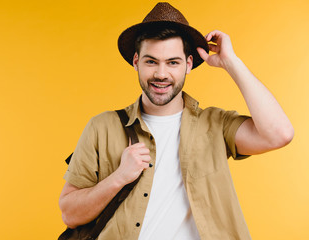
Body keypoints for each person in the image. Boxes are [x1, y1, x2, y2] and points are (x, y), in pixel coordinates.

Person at [59, 2, 294, 240]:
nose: (161, 74)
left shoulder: (215, 125)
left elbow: (279, 134)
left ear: (188, 64)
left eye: (173, 62)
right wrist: (118, 177)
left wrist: (231, 63)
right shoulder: (102, 127)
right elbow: (70, 214)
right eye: (151, 61)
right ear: (136, 62)